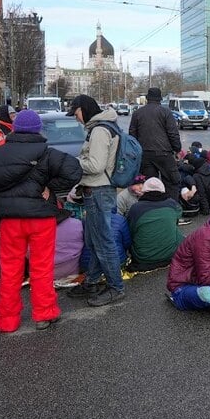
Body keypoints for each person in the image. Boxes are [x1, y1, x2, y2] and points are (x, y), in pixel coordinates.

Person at [0, 109, 82, 332]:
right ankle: (44, 313)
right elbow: (74, 171)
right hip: (41, 219)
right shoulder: (47, 153)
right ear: (37, 130)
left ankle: (7, 320)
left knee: (10, 270)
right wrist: (49, 189)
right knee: (41, 267)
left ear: (14, 129)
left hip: (10, 221)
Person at [65, 95, 125, 306]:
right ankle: (91, 281)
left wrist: (72, 163)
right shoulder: (102, 126)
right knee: (94, 240)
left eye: (76, 113)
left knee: (103, 242)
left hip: (99, 190)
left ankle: (116, 287)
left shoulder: (100, 130)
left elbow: (96, 165)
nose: (76, 119)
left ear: (85, 109)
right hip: (98, 190)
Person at [129, 87, 182, 195]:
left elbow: (132, 136)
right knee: (172, 184)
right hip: (164, 154)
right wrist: (177, 149)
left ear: (148, 98)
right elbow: (173, 133)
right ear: (160, 99)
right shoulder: (166, 112)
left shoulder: (137, 113)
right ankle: (171, 208)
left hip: (145, 155)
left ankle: (153, 208)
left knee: (150, 186)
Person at [126, 178, 184, 271]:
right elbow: (176, 220)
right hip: (170, 254)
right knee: (179, 234)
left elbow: (131, 230)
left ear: (144, 190)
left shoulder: (136, 208)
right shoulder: (172, 204)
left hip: (143, 257)